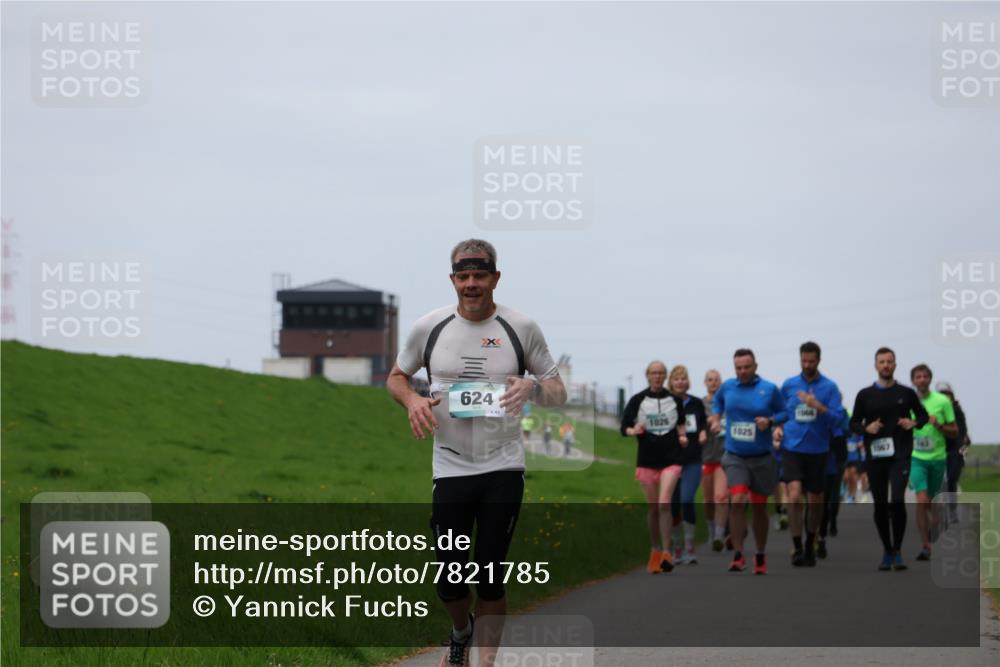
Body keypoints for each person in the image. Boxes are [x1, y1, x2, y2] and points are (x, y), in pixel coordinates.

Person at [386, 239, 567, 667]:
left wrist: (534, 386)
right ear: (452, 280)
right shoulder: (429, 327)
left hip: (503, 464)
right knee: (450, 580)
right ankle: (460, 631)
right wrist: (412, 400)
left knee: (488, 574)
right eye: (463, 277)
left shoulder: (521, 328)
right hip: (449, 465)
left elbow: (558, 392)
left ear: (495, 278)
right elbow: (397, 376)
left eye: (480, 276)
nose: (471, 284)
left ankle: (484, 662)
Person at [709, 348, 788, 575]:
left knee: (759, 507)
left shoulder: (769, 389)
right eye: (738, 368)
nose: (742, 371)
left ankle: (760, 554)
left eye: (747, 367)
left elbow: (785, 413)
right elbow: (717, 403)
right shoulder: (727, 387)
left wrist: (770, 421)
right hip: (734, 456)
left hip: (761, 457)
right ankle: (738, 555)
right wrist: (715, 419)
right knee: (738, 498)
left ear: (755, 366)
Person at [850, 347, 929, 572]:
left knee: (897, 500)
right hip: (876, 456)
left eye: (889, 361)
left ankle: (898, 549)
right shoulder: (865, 395)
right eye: (882, 362)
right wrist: (867, 427)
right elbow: (853, 423)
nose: (886, 365)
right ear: (876, 366)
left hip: (900, 455)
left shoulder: (906, 393)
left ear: (895, 365)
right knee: (881, 505)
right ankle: (886, 550)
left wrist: (913, 423)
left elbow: (922, 416)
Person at [777, 342, 845, 567]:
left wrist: (818, 406)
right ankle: (796, 545)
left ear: (819, 361)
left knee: (815, 502)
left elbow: (837, 419)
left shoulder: (829, 387)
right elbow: (778, 413)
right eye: (803, 361)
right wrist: (777, 427)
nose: (807, 365)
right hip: (792, 447)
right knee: (794, 495)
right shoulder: (789, 385)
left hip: (818, 449)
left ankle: (810, 543)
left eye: (811, 361)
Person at [621, 360, 689, 574]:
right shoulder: (637, 400)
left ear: (665, 375)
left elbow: (681, 423)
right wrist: (635, 430)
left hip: (671, 458)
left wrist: (683, 436)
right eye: (654, 373)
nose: (657, 376)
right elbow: (624, 427)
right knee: (653, 509)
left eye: (661, 373)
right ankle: (655, 550)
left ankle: (667, 552)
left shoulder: (674, 400)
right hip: (647, 459)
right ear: (647, 375)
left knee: (664, 503)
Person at [910, 365, 958, 561]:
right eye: (918, 377)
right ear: (913, 380)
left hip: (937, 458)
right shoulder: (907, 401)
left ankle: (936, 526)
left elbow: (954, 430)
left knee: (932, 502)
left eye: (925, 376)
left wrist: (938, 424)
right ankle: (925, 546)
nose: (921, 380)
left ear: (930, 379)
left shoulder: (942, 401)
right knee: (921, 500)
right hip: (916, 458)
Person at [668, 365, 707, 564]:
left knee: (686, 499)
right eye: (676, 378)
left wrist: (702, 432)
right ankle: (677, 547)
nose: (680, 382)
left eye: (683, 378)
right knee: (673, 505)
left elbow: (703, 424)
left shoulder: (696, 404)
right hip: (671, 461)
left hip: (692, 459)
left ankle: (690, 547)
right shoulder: (665, 404)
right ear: (671, 382)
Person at [701, 369, 730, 551]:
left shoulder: (728, 404)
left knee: (721, 497)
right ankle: (712, 532)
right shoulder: (700, 404)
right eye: (710, 380)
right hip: (705, 456)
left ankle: (719, 535)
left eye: (716, 380)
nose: (713, 383)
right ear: (705, 383)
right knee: (709, 500)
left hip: (724, 456)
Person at [936, 382, 971, 523]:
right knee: (938, 481)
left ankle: (952, 510)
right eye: (942, 394)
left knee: (952, 479)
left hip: (956, 450)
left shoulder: (957, 410)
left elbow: (963, 433)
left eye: (947, 394)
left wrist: (963, 451)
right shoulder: (935, 410)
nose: (945, 397)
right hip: (938, 449)